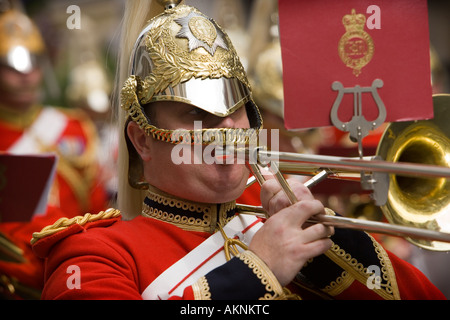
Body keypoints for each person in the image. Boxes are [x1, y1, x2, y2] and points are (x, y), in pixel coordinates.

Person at [31, 0, 444, 300]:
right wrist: (256, 271)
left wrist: (329, 244)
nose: (228, 127)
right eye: (197, 113)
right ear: (143, 140)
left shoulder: (275, 222)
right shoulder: (94, 254)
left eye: (237, 108)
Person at [0, 5, 108, 299]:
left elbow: (97, 201)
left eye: (34, 63)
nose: (26, 76)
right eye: (12, 67)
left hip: (78, 258)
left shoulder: (73, 125)